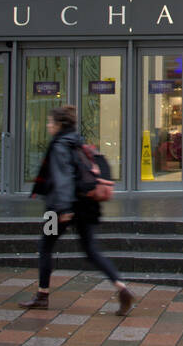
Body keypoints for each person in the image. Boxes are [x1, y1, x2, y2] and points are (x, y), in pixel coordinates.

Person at [21, 105, 134, 315]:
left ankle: (42, 295)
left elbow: (63, 179)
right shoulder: (78, 142)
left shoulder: (59, 146)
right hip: (86, 206)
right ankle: (121, 286)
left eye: (50, 122)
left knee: (45, 246)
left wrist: (64, 208)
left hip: (59, 208)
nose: (48, 126)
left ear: (58, 124)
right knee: (91, 250)